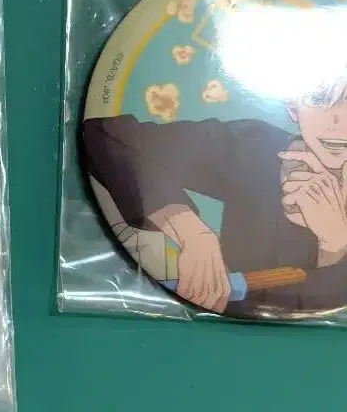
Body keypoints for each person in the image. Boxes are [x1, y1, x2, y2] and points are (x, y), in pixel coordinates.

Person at [84, 78, 347, 315]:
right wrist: (192, 233)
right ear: (293, 105)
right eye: (319, 98)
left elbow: (319, 313)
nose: (338, 122)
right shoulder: (254, 147)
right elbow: (105, 135)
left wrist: (334, 246)